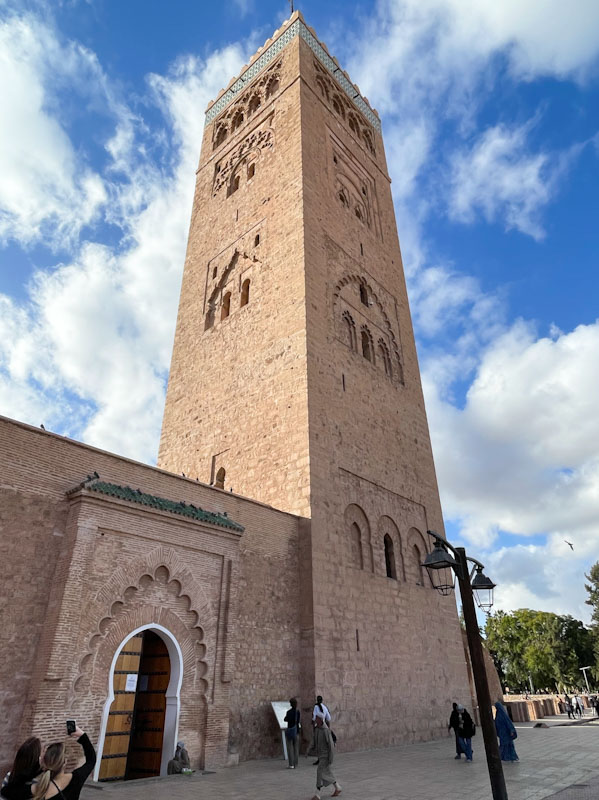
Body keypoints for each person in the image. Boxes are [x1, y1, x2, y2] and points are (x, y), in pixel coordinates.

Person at [31, 726, 95, 800]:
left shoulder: (34, 789)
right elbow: (91, 760)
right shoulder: (76, 779)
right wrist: (82, 735)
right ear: (65, 762)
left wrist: (39, 766)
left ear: (44, 761)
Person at [311, 716, 341, 799]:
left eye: (317, 718)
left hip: (325, 755)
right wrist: (309, 750)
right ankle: (337, 787)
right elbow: (314, 740)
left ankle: (317, 794)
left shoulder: (326, 730)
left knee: (319, 772)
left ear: (320, 720)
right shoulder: (317, 729)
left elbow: (331, 745)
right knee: (327, 772)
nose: (315, 720)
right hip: (321, 755)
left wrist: (330, 757)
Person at [311, 696, 333, 766]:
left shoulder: (316, 707)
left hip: (318, 728)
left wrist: (313, 728)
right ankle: (326, 758)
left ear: (317, 700)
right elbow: (328, 718)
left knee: (318, 744)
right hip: (324, 727)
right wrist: (328, 729)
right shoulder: (324, 707)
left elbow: (314, 718)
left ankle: (320, 759)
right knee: (325, 744)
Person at [283, 698, 301, 769]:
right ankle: (296, 763)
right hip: (296, 731)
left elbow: (285, 719)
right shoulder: (298, 712)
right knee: (296, 748)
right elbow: (298, 720)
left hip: (290, 730)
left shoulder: (288, 712)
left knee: (290, 747)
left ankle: (291, 764)